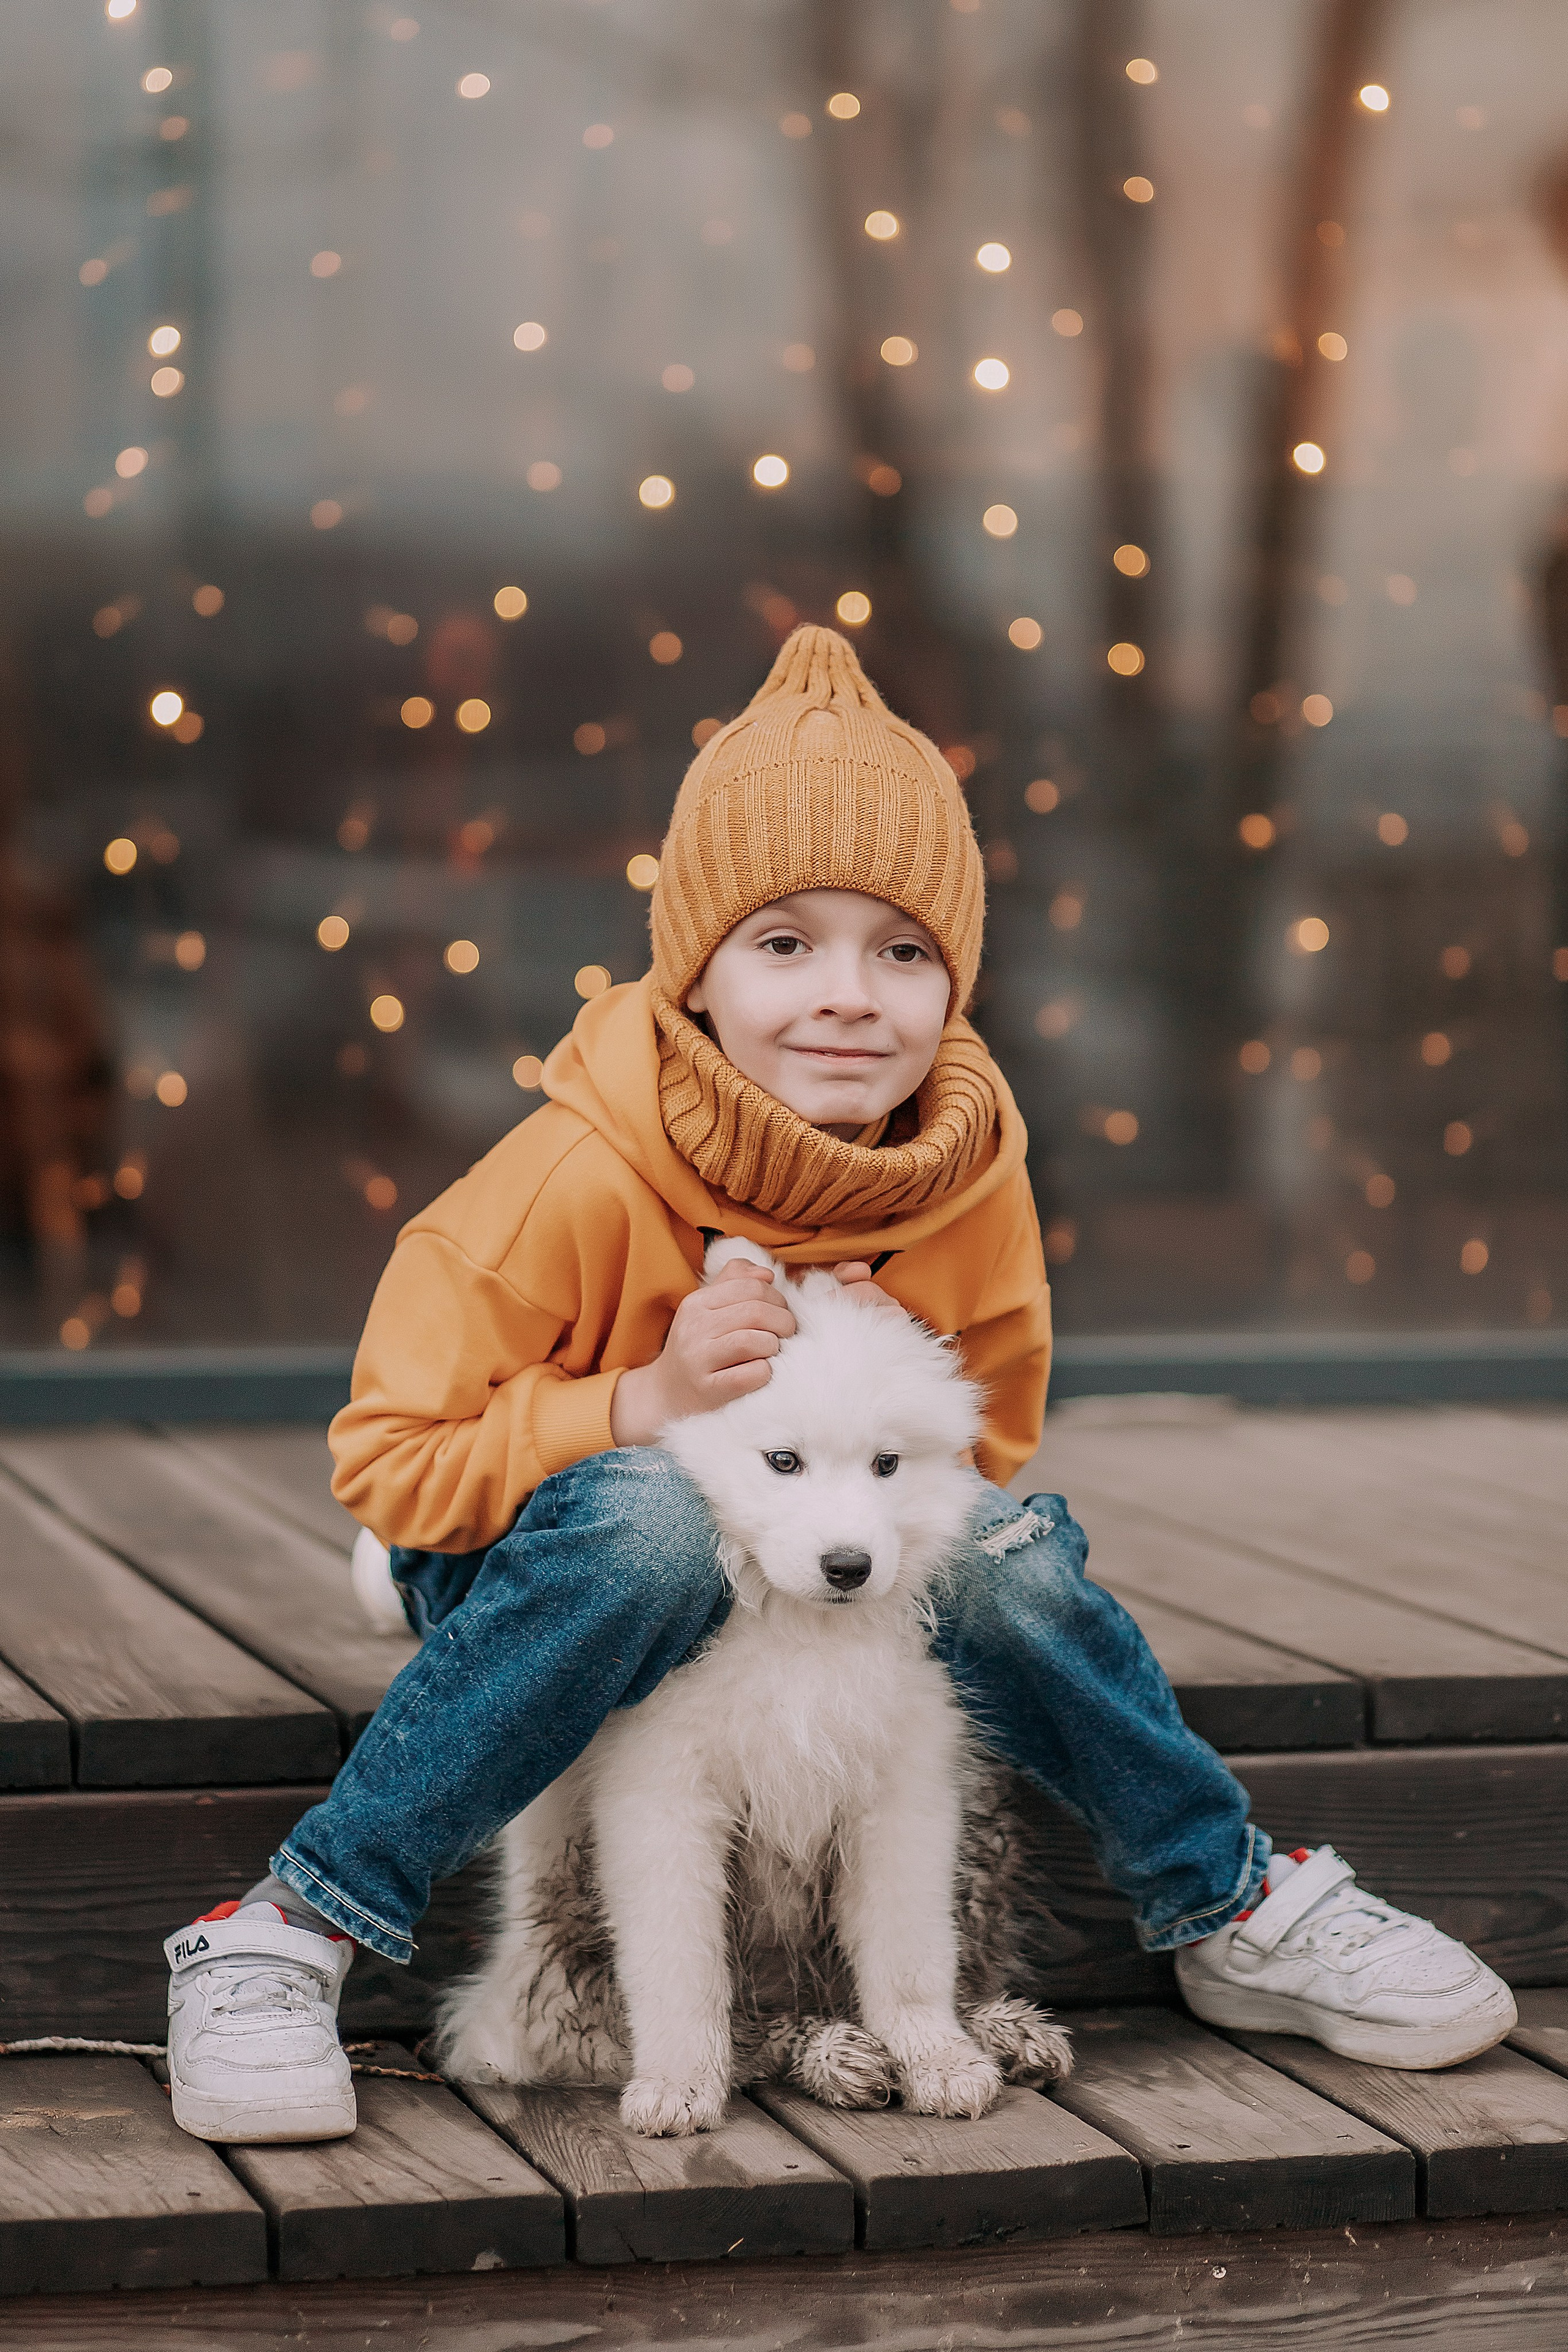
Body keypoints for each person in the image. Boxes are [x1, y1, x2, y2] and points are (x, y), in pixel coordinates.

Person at [162, 625, 1515, 2144]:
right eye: (784, 942)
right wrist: (643, 1404)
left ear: (956, 978)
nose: (849, 997)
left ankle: (1229, 1899)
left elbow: (984, 1440)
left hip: (824, 1539)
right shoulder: (571, 1173)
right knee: (652, 1530)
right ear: (697, 972)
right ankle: (288, 1927)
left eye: (903, 948)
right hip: (537, 1544)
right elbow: (391, 1457)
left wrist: (874, 1386)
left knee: (1005, 1556)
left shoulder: (962, 1171)